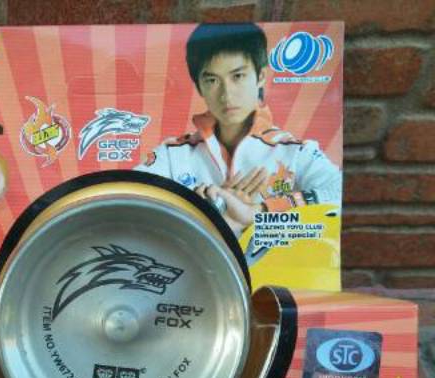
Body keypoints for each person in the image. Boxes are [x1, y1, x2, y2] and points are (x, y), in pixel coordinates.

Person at [135, 23, 342, 237]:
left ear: (260, 77)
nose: (226, 94)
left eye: (238, 76)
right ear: (199, 87)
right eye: (212, 80)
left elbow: (338, 194)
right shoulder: (172, 155)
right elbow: (124, 200)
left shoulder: (296, 152)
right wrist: (200, 211)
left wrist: (258, 212)